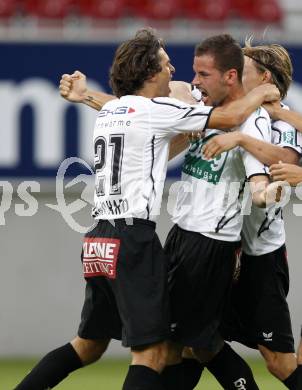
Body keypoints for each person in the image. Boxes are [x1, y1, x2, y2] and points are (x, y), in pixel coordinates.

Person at [14, 29, 279, 390]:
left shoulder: (111, 111)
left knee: (88, 347)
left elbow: (164, 138)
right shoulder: (157, 111)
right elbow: (229, 120)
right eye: (167, 64)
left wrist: (85, 95)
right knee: (153, 354)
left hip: (97, 240)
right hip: (131, 240)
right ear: (151, 73)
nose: (174, 72)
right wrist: (262, 92)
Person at [203, 40, 302, 390]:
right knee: (194, 339)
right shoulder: (235, 112)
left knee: (279, 363)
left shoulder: (281, 119)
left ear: (264, 79)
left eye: (242, 70)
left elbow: (287, 162)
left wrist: (242, 142)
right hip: (228, 248)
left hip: (262, 256)